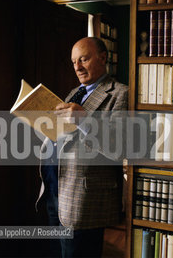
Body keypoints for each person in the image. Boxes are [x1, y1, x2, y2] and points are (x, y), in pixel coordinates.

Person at [38, 37, 128, 258]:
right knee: (56, 252)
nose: (77, 67)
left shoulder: (120, 94)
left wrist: (84, 119)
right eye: (73, 61)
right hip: (52, 187)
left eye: (83, 59)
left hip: (83, 196)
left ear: (103, 58)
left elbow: (119, 148)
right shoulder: (73, 93)